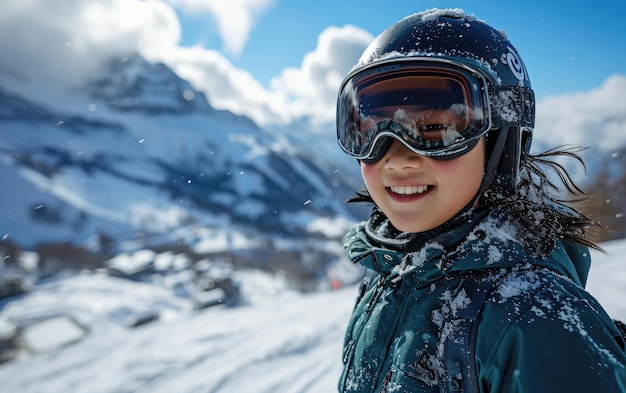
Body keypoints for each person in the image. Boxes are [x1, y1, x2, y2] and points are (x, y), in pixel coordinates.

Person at [335, 8, 626, 393]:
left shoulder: (533, 319)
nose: (397, 157)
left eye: (435, 129)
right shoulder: (385, 277)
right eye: (371, 129)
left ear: (500, 139)